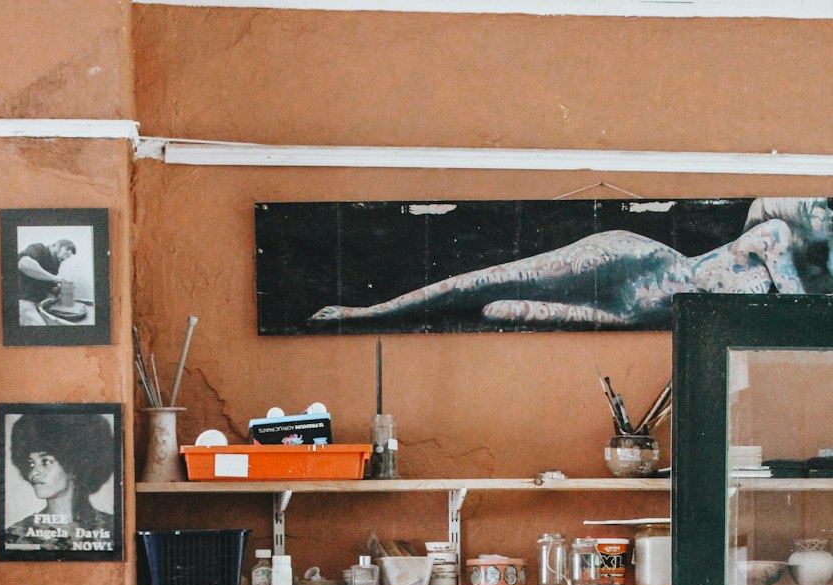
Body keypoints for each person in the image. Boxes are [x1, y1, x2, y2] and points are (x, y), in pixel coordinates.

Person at [310, 197, 833, 330]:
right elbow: (794, 313)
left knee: (497, 309)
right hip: (643, 267)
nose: (828, 216)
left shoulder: (816, 276)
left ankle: (371, 314)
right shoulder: (778, 236)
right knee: (493, 280)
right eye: (824, 206)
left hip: (642, 315)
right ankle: (368, 312)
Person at [5, 410, 117, 554]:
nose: (34, 473)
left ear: (74, 465)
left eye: (45, 461)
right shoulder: (16, 536)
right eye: (31, 463)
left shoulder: (112, 529)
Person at [16, 238, 76, 326]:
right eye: (66, 253)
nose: (65, 258)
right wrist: (55, 278)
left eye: (67, 257)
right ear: (56, 245)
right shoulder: (39, 248)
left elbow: (50, 286)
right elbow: (23, 264)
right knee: (41, 326)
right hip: (24, 299)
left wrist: (61, 289)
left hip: (40, 300)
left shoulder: (55, 263)